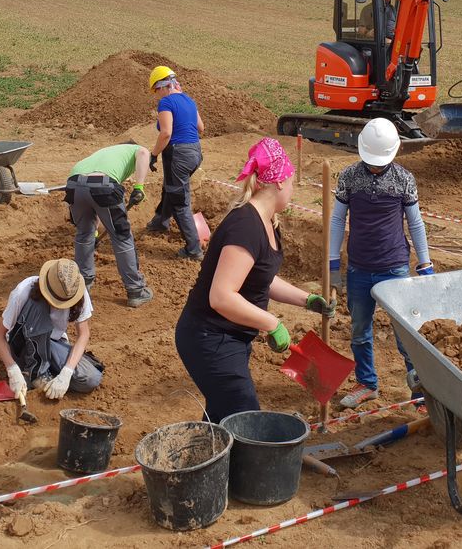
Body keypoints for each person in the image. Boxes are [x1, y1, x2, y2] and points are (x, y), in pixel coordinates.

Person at [175, 138, 335, 423]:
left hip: (231, 338)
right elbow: (222, 296)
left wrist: (307, 300)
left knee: (222, 417)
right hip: (209, 338)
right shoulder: (246, 226)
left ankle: (206, 460)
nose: (293, 191)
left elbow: (261, 279)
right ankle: (236, 467)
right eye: (293, 183)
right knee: (244, 418)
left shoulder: (267, 221)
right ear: (280, 183)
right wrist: (272, 324)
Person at [328, 118, 433, 408]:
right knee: (360, 330)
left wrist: (425, 262)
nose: (375, 166)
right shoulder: (349, 176)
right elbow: (338, 219)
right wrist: (333, 262)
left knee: (405, 334)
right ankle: (367, 383)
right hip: (359, 268)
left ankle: (420, 388)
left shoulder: (403, 179)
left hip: (395, 267)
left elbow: (415, 222)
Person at [0, 258, 103, 402]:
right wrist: (12, 369)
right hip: (23, 344)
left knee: (90, 379)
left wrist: (66, 373)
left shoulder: (77, 291)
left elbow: (84, 334)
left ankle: (46, 370)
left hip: (53, 344)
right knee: (37, 306)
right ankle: (35, 372)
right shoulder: (24, 291)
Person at [65, 143, 154, 307]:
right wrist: (139, 187)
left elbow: (94, 203)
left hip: (74, 184)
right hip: (104, 185)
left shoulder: (104, 152)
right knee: (121, 236)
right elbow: (143, 152)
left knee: (84, 234)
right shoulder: (134, 149)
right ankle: (136, 290)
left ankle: (83, 287)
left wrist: (96, 235)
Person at [146, 64, 206, 260]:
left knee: (180, 202)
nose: (157, 95)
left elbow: (166, 133)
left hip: (178, 154)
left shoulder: (166, 103)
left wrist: (154, 154)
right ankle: (160, 222)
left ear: (164, 85)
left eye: (156, 90)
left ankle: (193, 249)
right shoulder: (189, 100)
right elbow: (201, 128)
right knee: (171, 187)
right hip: (195, 152)